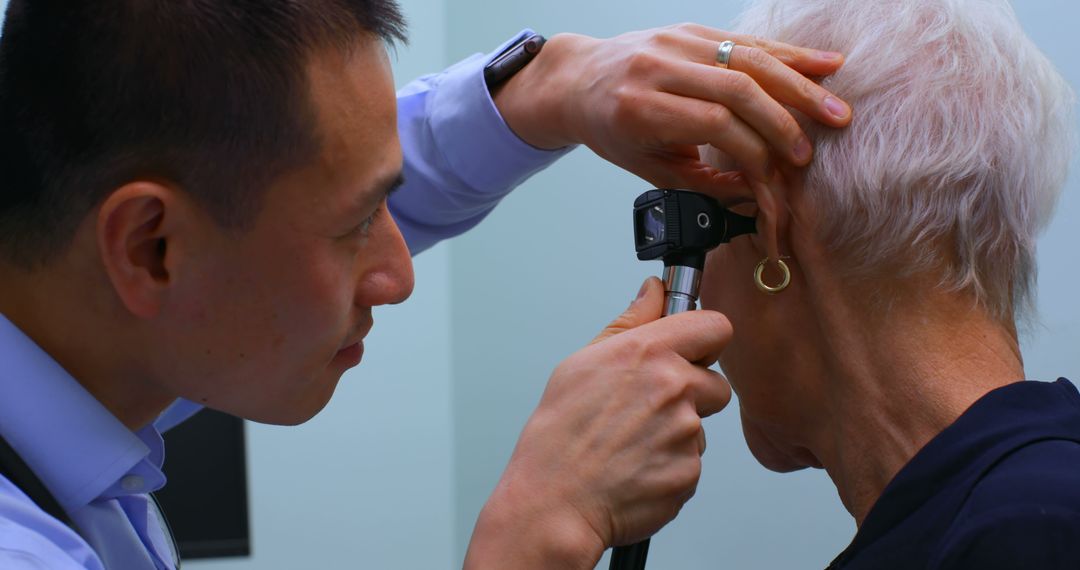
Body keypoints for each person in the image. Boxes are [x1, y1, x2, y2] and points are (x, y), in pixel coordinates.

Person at [0, 0, 854, 568]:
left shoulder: (88, 335)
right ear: (151, 249)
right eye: (356, 225)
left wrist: (544, 85)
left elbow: (316, 174)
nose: (398, 275)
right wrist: (534, 532)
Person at [697, 0, 1078, 567]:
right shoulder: (1031, 512)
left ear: (768, 231)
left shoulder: (1015, 539)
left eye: (694, 231)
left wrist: (545, 522)